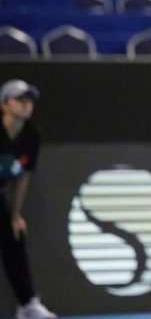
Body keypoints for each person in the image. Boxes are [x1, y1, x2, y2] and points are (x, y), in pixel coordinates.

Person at [0, 80, 57, 319]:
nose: (26, 105)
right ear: (4, 104)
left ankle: (27, 304)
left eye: (30, 100)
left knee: (14, 236)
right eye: (20, 100)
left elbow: (22, 178)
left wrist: (15, 215)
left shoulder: (32, 136)